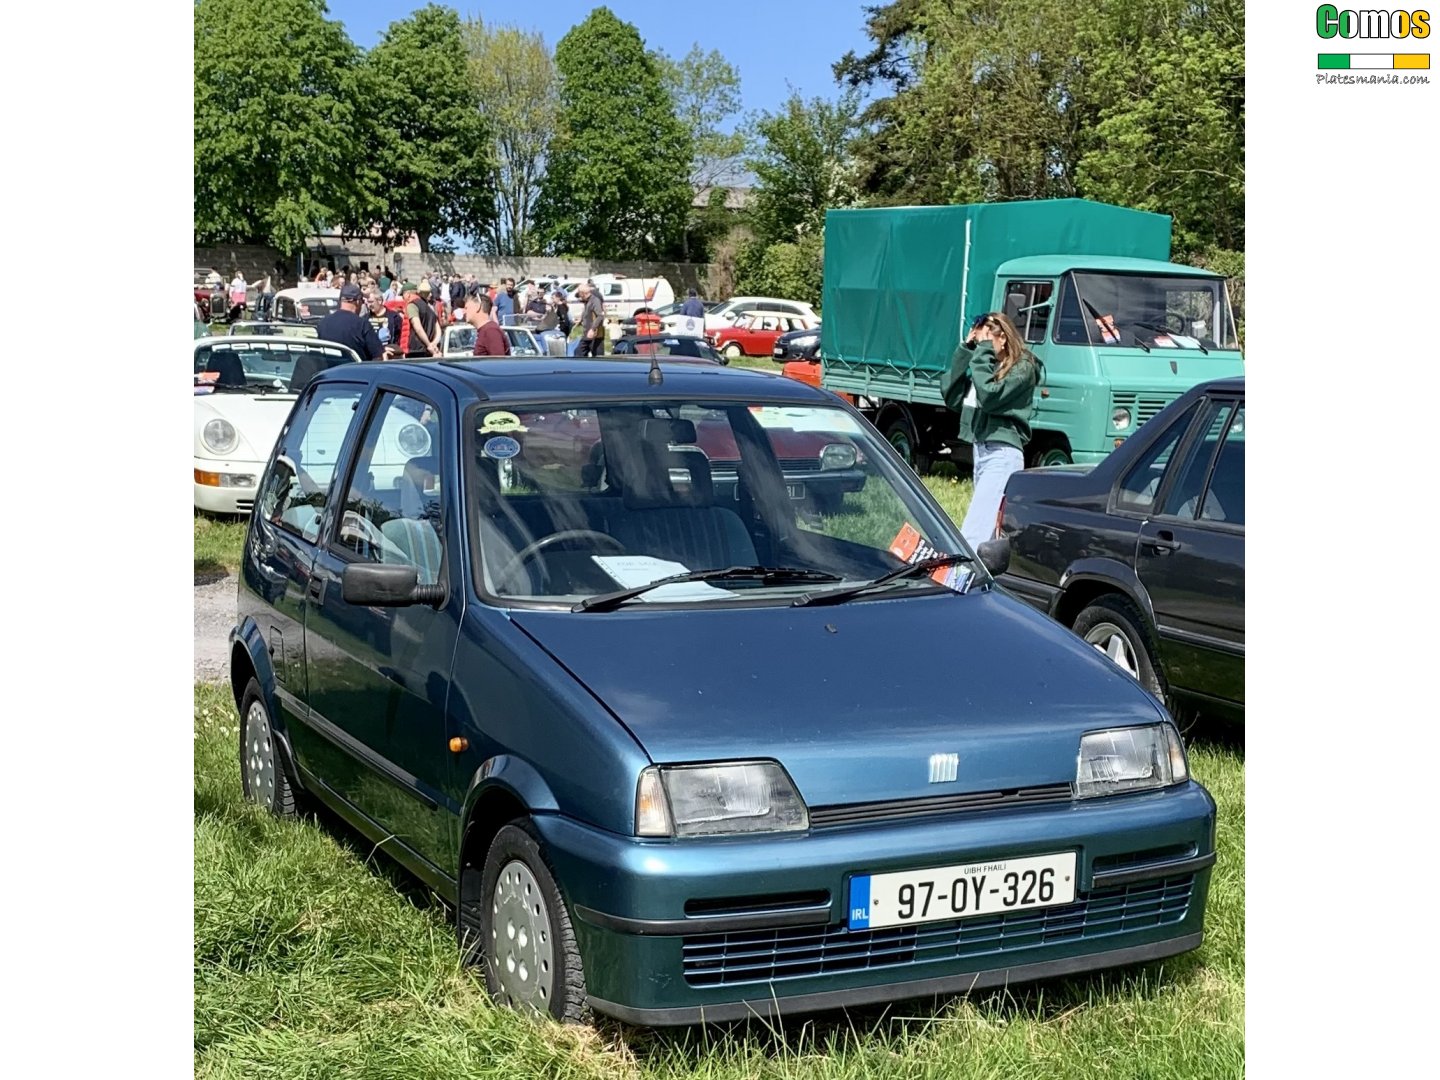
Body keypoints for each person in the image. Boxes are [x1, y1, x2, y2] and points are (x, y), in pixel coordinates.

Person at [942, 312, 1042, 551]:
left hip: (1003, 453)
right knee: (987, 527)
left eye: (988, 341)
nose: (982, 348)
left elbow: (990, 396)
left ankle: (962, 578)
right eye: (980, 343)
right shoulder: (986, 366)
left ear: (1004, 338)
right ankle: (984, 579)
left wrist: (982, 354)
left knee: (976, 529)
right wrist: (966, 350)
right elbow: (951, 395)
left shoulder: (1023, 367)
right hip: (982, 450)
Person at [316, 283, 384, 360]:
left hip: (329, 370)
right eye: (362, 301)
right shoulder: (362, 325)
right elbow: (378, 357)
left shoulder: (323, 323)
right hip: (355, 370)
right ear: (358, 301)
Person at [403, 281, 442, 358]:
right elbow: (438, 330)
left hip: (416, 350)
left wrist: (428, 344)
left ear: (407, 294)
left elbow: (418, 328)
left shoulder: (412, 305)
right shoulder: (430, 309)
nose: (402, 298)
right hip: (428, 350)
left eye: (403, 295)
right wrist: (433, 344)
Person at [465, 292, 510, 357]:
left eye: (466, 308)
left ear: (478, 307)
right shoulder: (486, 330)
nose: (464, 311)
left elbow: (499, 363)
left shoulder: (491, 331)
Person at [575, 280, 606, 357]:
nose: (579, 296)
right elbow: (586, 312)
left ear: (582, 293)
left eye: (579, 294)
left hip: (595, 334)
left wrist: (592, 329)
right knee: (579, 353)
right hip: (587, 333)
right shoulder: (587, 301)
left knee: (597, 356)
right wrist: (581, 320)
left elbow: (600, 316)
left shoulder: (595, 300)